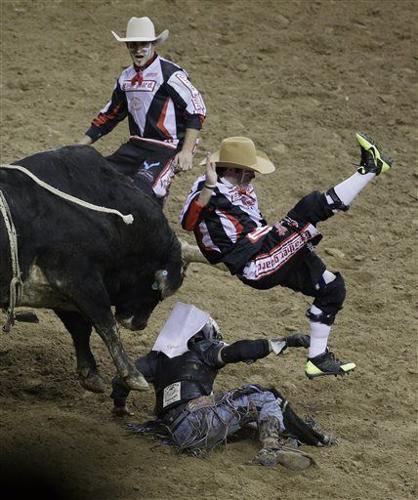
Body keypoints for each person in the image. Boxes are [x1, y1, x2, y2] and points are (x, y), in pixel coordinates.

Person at [180, 133, 393, 378]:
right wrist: (208, 186)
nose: (253, 175)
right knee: (307, 210)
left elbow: (255, 224)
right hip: (255, 264)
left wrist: (283, 237)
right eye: (248, 170)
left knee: (332, 288)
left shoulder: (245, 188)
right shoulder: (206, 187)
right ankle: (369, 170)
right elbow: (187, 222)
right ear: (233, 169)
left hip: (266, 250)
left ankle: (317, 358)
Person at [111, 302, 335, 469]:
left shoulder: (154, 359)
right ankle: (271, 448)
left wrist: (119, 407)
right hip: (200, 424)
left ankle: (281, 438)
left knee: (244, 421)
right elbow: (239, 351)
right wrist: (284, 341)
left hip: (173, 432)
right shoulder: (205, 349)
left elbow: (121, 379)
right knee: (265, 396)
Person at [78, 16, 206, 205]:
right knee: (97, 178)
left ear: (153, 44)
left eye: (143, 44)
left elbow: (196, 108)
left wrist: (186, 151)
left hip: (167, 147)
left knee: (143, 190)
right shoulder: (125, 78)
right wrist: (79, 146)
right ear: (128, 46)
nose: (138, 49)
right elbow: (110, 114)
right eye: (133, 45)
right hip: (136, 145)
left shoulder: (170, 73)